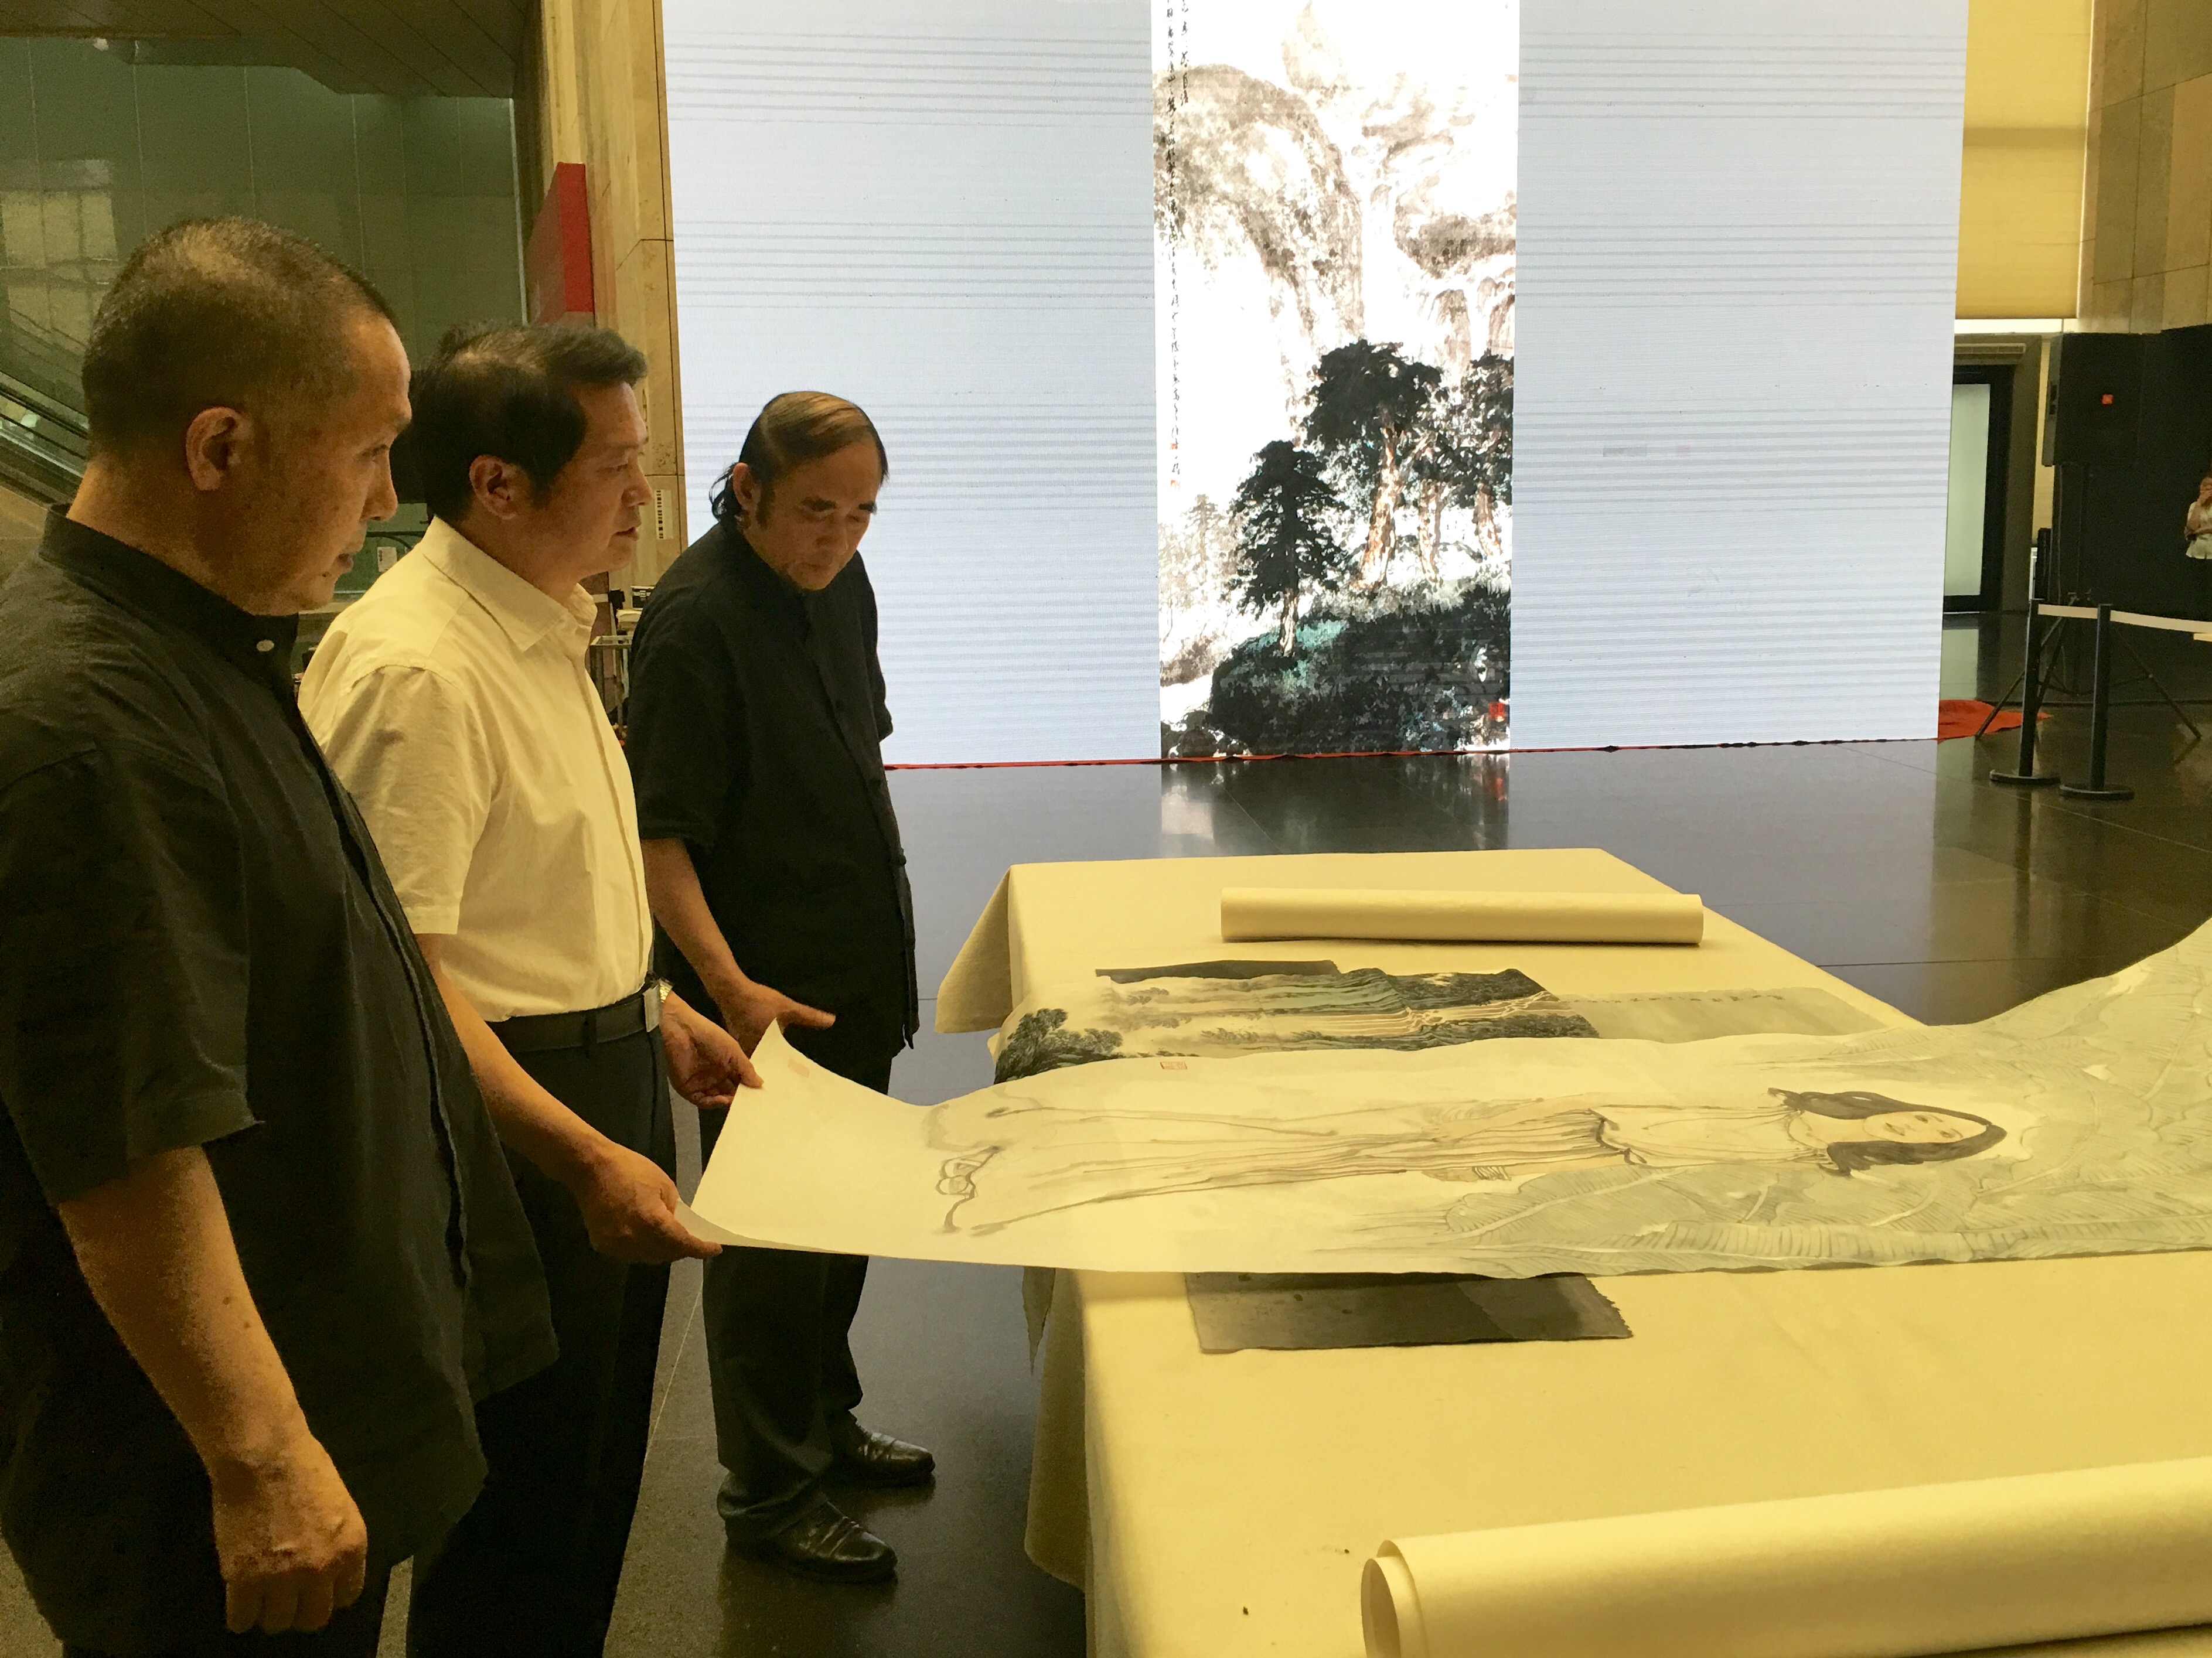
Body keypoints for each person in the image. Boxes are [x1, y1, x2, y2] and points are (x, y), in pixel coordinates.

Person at [0, 219, 555, 1656]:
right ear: (220, 447)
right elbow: (128, 1145)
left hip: (311, 1389)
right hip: (194, 1483)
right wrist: (261, 1459)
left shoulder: (206, 641)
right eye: (367, 452)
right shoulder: (88, 717)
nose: (386, 501)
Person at [298, 323, 756, 1656]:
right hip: (509, 1130)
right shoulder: (420, 669)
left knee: (588, 1487)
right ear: (498, 484)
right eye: (615, 465)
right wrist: (583, 1155)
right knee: (518, 1513)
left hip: (592, 1076)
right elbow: (406, 979)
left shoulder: (542, 621)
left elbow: (528, 889)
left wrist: (653, 1008)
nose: (644, 495)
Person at [626, 391, 928, 1584]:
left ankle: (824, 1416)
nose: (838, 537)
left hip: (852, 965)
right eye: (816, 510)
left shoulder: (840, 585)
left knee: (841, 1218)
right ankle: (769, 1487)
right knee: (768, 1245)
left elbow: (859, 754)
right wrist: (726, 985)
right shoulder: (694, 623)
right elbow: (660, 838)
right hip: (757, 986)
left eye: (860, 514)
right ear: (746, 487)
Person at [931, 1083, 2007, 1234]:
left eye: (1932, 1142)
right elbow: (1640, 1112)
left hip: (1547, 1156)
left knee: (1294, 1165)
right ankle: (1044, 1155)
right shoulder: (1778, 1107)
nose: (1919, 1133)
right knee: (1293, 1145)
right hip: (1546, 1129)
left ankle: (1043, 1174)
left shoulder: (1817, 1169)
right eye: (1928, 1120)